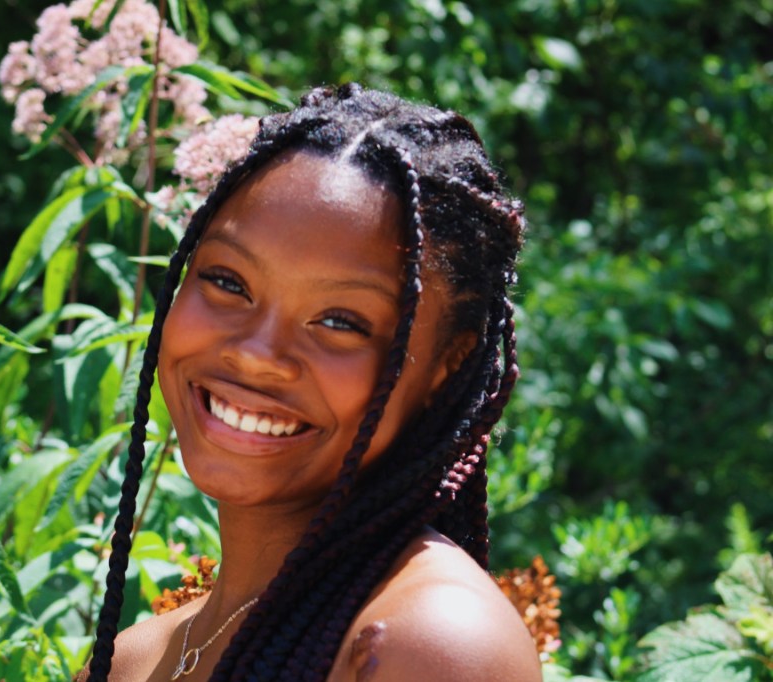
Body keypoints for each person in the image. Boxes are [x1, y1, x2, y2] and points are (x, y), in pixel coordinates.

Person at [76, 84, 542, 681]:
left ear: (446, 366)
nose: (256, 355)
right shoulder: (132, 657)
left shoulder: (427, 642)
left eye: (341, 322)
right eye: (228, 282)